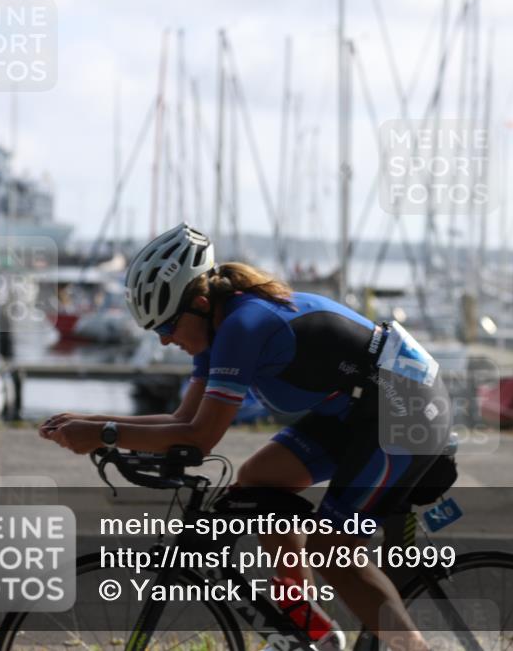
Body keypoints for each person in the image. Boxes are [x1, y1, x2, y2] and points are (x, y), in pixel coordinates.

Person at [40, 222, 451, 651]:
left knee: (331, 549)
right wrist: (92, 423)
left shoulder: (244, 325)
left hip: (405, 407)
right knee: (257, 483)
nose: (163, 340)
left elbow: (199, 439)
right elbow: (182, 418)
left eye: (166, 326)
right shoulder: (215, 332)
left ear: (199, 303)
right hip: (358, 407)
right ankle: (311, 632)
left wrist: (103, 434)